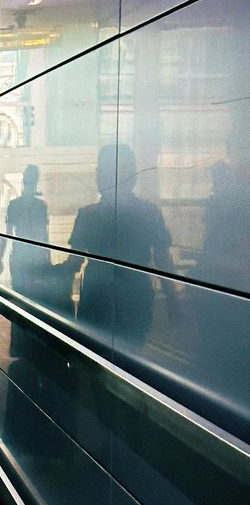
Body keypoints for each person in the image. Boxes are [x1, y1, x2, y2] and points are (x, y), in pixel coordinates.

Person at [65, 143, 175, 352]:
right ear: (133, 176)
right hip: (136, 297)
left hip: (95, 297)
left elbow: (73, 264)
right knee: (131, 358)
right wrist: (173, 301)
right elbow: (163, 261)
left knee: (96, 361)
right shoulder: (148, 212)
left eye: (101, 170)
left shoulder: (87, 215)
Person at [0, 164, 49, 295]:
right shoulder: (40, 206)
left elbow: (8, 233)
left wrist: (0, 256)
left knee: (19, 294)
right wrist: (47, 260)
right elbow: (44, 235)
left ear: (23, 180)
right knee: (37, 295)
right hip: (36, 255)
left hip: (20, 254)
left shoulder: (15, 205)